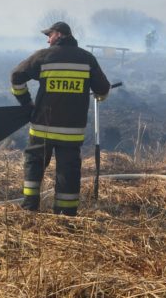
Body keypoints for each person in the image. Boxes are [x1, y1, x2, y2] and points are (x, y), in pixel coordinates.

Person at [10, 21, 111, 215]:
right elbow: (103, 89)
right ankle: (65, 215)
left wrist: (26, 103)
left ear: (59, 34)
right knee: (69, 171)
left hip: (42, 127)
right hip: (71, 131)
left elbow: (16, 76)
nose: (48, 40)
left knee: (34, 164)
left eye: (50, 35)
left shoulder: (44, 56)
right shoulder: (86, 58)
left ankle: (30, 208)